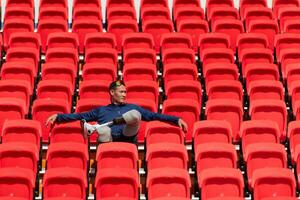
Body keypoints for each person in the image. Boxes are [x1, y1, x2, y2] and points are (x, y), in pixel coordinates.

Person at [46, 80, 188, 143]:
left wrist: (176, 120)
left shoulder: (133, 106)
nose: (124, 94)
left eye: (125, 92)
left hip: (127, 137)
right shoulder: (101, 110)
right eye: (121, 92)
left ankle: (109, 125)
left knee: (136, 115)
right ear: (112, 92)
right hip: (108, 141)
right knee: (103, 131)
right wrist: (58, 117)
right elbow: (79, 116)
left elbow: (154, 116)